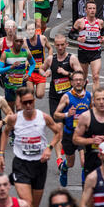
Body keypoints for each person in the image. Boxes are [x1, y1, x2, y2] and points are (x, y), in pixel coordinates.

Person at [0, 87, 61, 207]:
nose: (28, 105)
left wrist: (49, 148)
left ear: (34, 100)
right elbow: (5, 133)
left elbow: (58, 132)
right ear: (19, 102)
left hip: (40, 165)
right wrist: (1, 154)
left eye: (30, 101)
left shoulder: (44, 117)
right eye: (25, 102)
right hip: (21, 165)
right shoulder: (14, 119)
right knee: (27, 204)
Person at [39, 34, 82, 168]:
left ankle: (65, 143)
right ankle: (58, 159)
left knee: (70, 127)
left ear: (66, 44)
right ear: (54, 46)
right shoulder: (51, 59)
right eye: (57, 45)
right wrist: (44, 74)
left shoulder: (72, 58)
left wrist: (67, 73)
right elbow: (41, 68)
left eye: (62, 44)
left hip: (70, 98)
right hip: (55, 98)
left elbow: (80, 75)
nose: (60, 47)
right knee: (58, 129)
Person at [72, 87, 104, 180]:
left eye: (103, 99)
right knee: (91, 191)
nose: (101, 102)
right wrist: (91, 140)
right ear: (93, 101)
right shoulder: (86, 117)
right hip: (92, 160)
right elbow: (75, 139)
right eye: (98, 99)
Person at [54, 70, 92, 187]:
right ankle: (64, 169)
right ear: (72, 83)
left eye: (81, 80)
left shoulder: (89, 96)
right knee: (70, 163)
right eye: (76, 80)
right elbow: (56, 114)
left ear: (85, 82)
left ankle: (84, 186)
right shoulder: (66, 97)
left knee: (84, 161)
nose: (79, 82)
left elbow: (93, 112)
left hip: (83, 134)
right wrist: (67, 115)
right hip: (69, 134)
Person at [69, 1, 104, 91]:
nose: (92, 10)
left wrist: (102, 38)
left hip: (95, 53)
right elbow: (71, 34)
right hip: (83, 52)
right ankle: (82, 95)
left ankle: (95, 99)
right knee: (83, 78)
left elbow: (103, 33)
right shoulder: (80, 22)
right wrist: (78, 38)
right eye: (90, 8)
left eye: (94, 8)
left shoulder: (100, 22)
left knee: (96, 76)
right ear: (86, 10)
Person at [0, 35, 36, 114]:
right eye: (16, 41)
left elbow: (33, 64)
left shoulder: (25, 52)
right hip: (9, 86)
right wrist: (11, 67)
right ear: (13, 41)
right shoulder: (6, 53)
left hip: (21, 86)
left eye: (21, 41)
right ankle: (14, 124)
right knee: (11, 111)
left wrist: (29, 74)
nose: (18, 43)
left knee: (19, 108)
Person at [25, 20, 53, 99]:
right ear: (26, 31)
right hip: (29, 71)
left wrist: (49, 59)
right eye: (29, 29)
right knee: (29, 94)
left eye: (32, 29)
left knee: (40, 95)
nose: (31, 31)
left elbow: (50, 48)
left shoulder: (42, 39)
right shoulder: (24, 41)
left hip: (40, 71)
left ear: (35, 29)